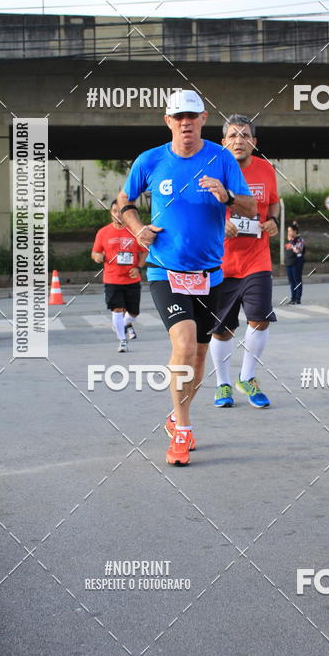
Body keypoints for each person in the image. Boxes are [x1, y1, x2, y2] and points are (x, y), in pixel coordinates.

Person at [116, 88, 256, 466]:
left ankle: (176, 416)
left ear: (202, 118)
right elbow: (121, 204)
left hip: (209, 273)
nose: (185, 123)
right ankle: (183, 427)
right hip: (165, 269)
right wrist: (136, 227)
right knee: (184, 339)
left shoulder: (222, 158)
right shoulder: (150, 160)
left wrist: (226, 196)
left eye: (191, 117)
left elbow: (251, 205)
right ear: (168, 121)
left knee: (198, 357)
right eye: (178, 117)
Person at [209, 114, 279, 409]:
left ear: (254, 142)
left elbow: (273, 201)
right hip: (221, 260)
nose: (240, 140)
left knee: (260, 319)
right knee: (222, 328)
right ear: (224, 142)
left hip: (257, 258)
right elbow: (197, 211)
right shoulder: (212, 170)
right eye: (234, 136)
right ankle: (223, 383)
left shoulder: (266, 169)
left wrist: (273, 220)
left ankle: (247, 377)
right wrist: (218, 225)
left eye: (245, 135)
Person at [91, 199, 145, 352]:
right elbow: (95, 252)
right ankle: (122, 340)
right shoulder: (103, 232)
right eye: (114, 211)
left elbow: (144, 252)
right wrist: (98, 257)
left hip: (132, 279)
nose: (117, 215)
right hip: (112, 279)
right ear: (110, 213)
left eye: (120, 212)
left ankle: (124, 323)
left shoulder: (135, 231)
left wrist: (138, 267)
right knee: (117, 309)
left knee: (134, 313)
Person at [284, 222, 305, 304]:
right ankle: (293, 298)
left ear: (295, 231)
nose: (289, 233)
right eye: (288, 231)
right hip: (289, 262)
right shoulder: (289, 240)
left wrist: (291, 242)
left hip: (297, 262)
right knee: (291, 281)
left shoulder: (299, 239)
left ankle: (298, 299)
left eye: (290, 231)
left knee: (297, 280)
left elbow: (297, 250)